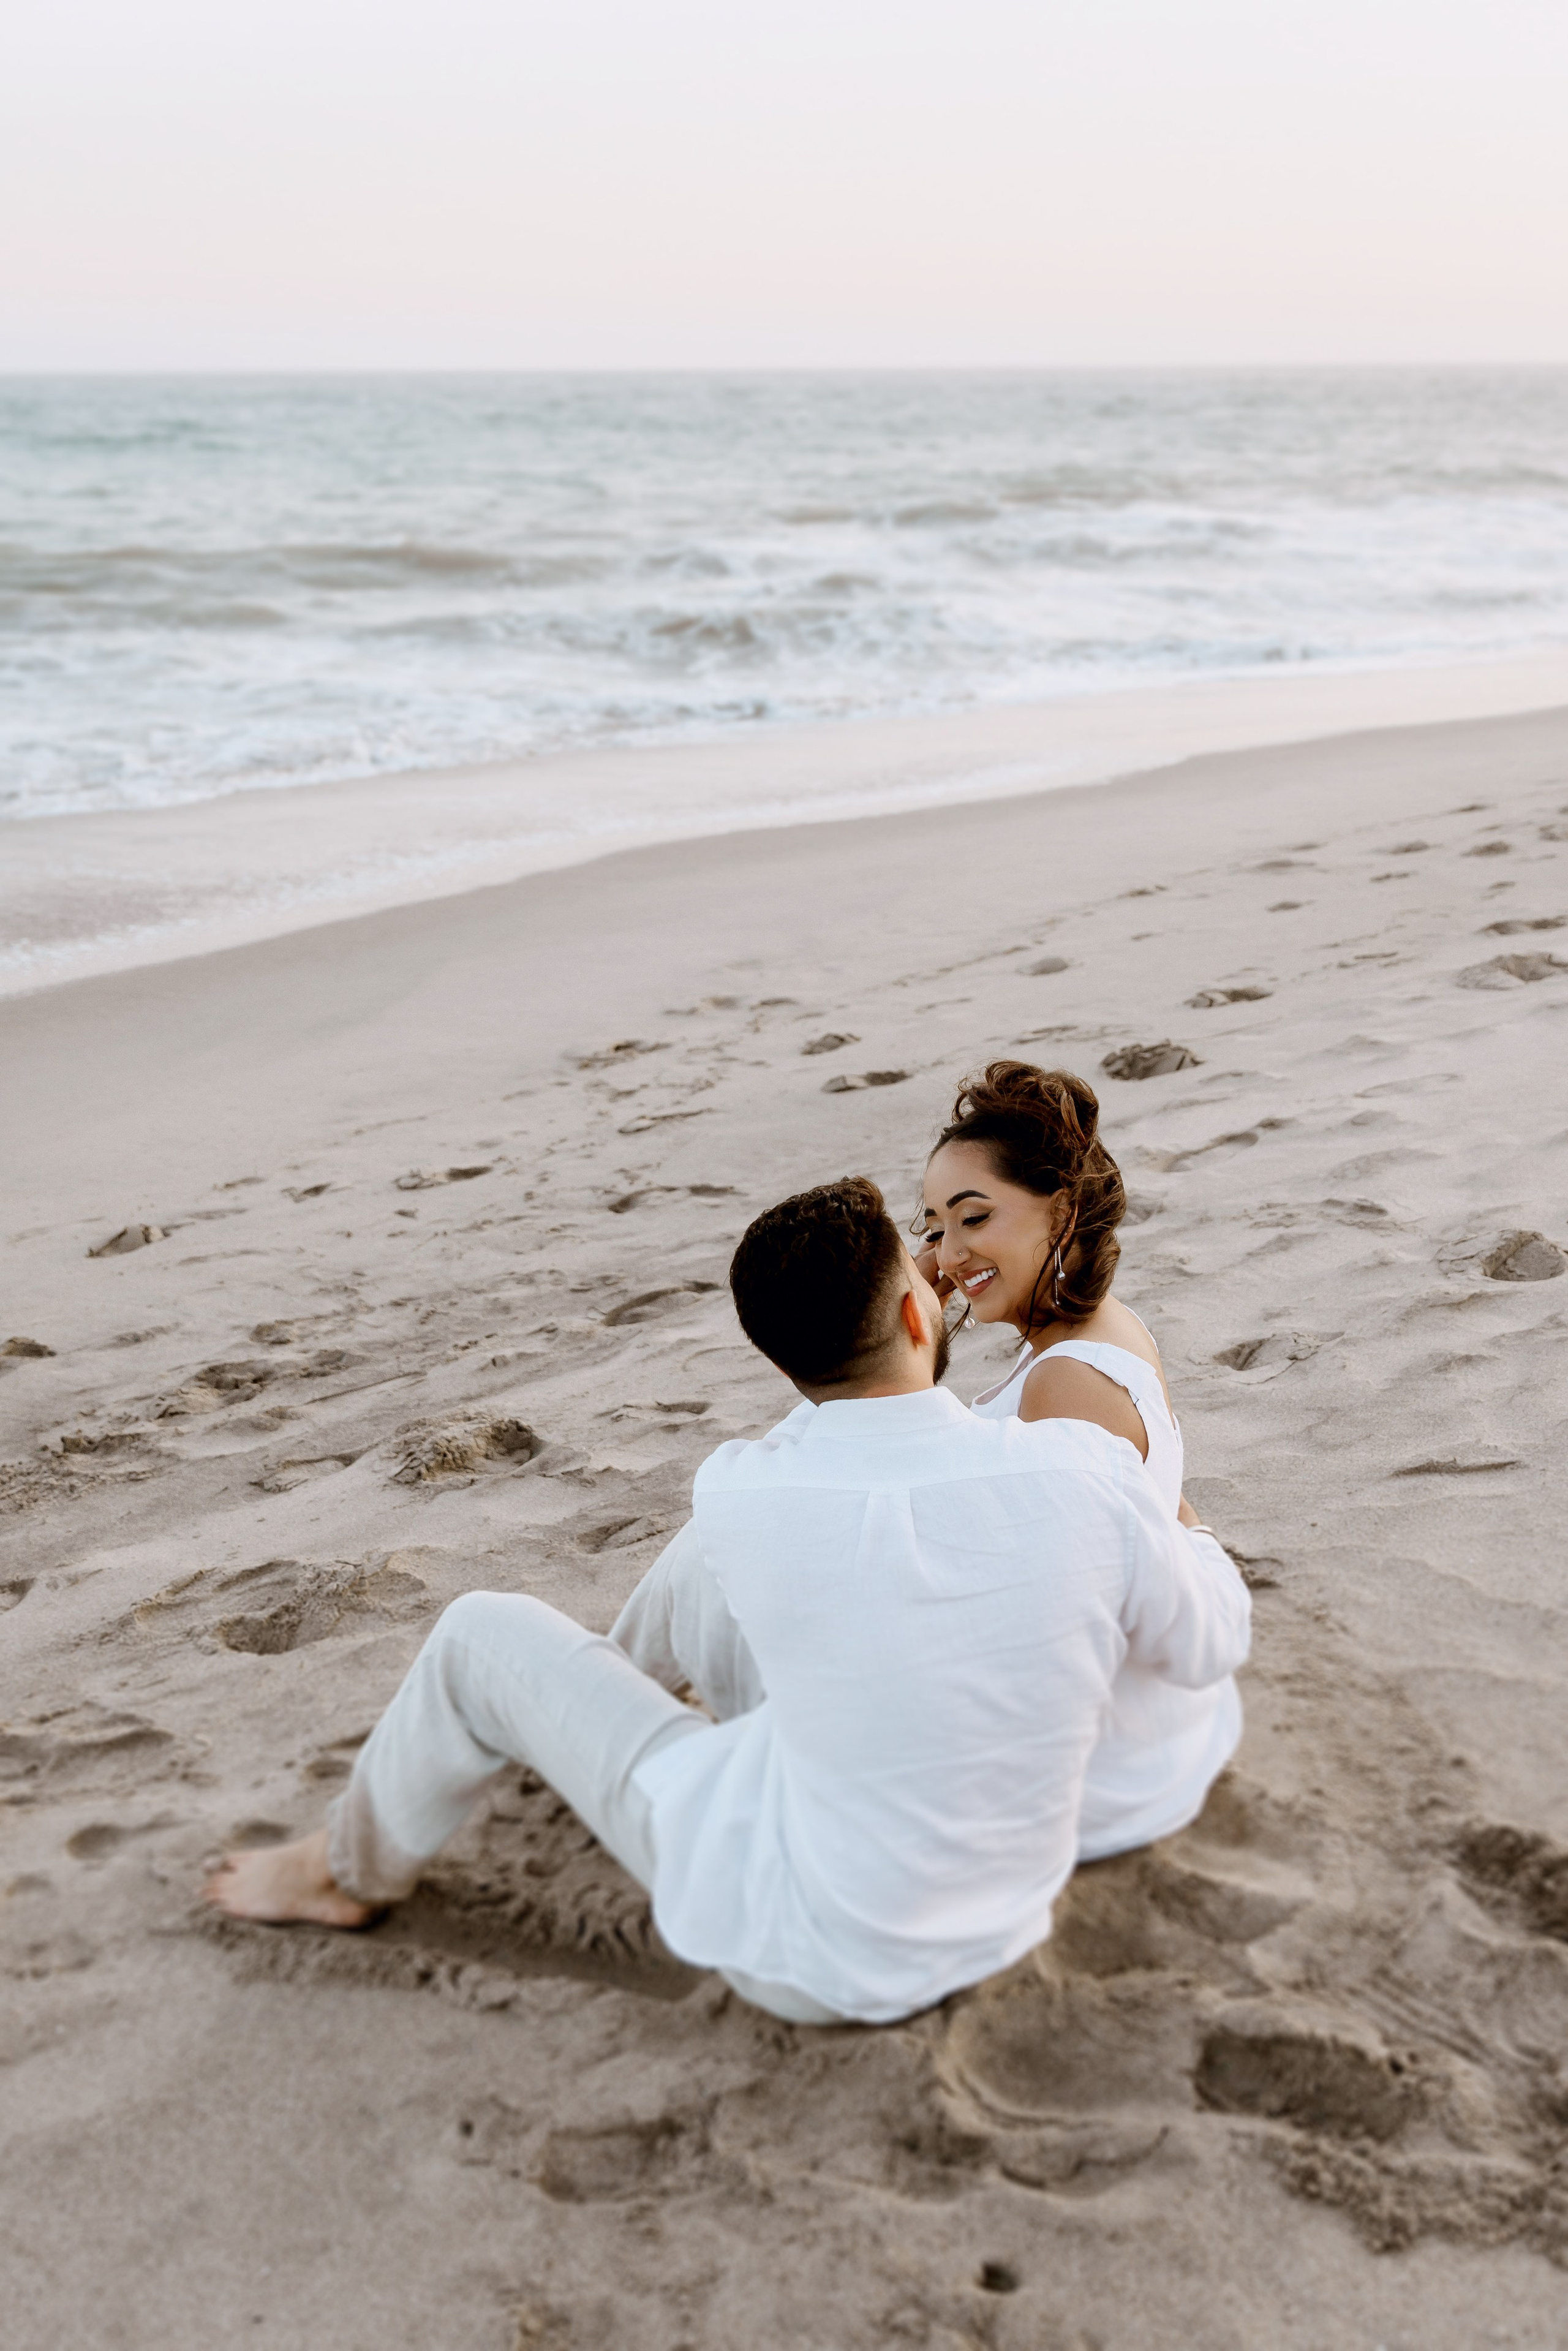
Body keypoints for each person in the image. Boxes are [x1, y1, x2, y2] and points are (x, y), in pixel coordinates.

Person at [205, 1176, 1249, 2026]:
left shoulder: (745, 1489)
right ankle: (590, 1708)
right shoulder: (1082, 1472)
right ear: (914, 1308)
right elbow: (1212, 1640)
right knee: (767, 1582)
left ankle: (347, 1866)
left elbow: (822, 1482)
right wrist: (1177, 1521)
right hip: (1001, 1915)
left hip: (812, 1958)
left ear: (787, 1363)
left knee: (485, 1631)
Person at [919, 1059, 1243, 1860]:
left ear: (1059, 1210)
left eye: (974, 1217)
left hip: (1085, 1776)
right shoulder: (1101, 1325)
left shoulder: (1066, 1382)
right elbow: (1160, 1507)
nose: (948, 1255)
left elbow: (1060, 1630)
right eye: (932, 1226)